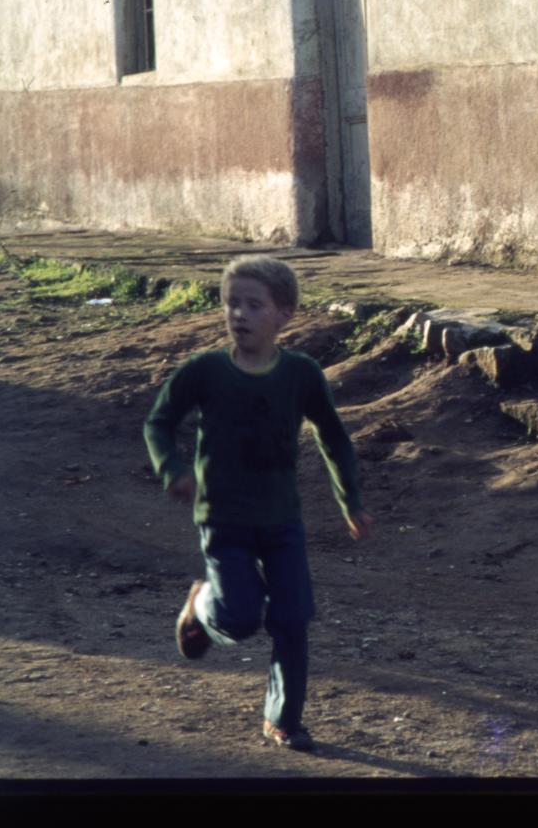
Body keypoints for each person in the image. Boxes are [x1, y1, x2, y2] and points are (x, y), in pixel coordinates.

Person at [144, 254, 373, 751]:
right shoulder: (205, 371)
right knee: (241, 618)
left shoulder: (301, 374)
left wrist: (349, 499)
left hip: (281, 519)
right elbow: (159, 422)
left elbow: (333, 436)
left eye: (253, 305)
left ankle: (284, 719)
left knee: (293, 618)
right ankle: (201, 603)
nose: (239, 315)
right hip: (223, 519)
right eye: (232, 304)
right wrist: (173, 469)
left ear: (284, 313)